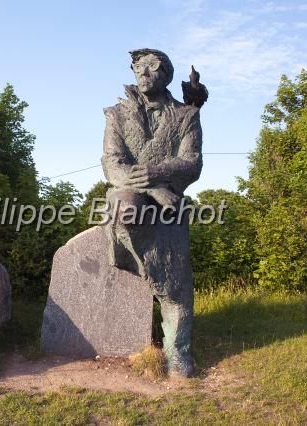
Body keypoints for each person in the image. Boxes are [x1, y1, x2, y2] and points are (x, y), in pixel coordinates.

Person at [100, 48, 206, 377]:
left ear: (166, 76)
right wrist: (151, 187)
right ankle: (133, 261)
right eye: (139, 67)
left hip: (170, 200)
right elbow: (112, 164)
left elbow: (192, 163)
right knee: (125, 210)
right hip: (131, 192)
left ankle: (178, 354)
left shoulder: (186, 116)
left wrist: (158, 176)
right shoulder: (116, 115)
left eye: (153, 68)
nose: (145, 73)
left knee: (176, 282)